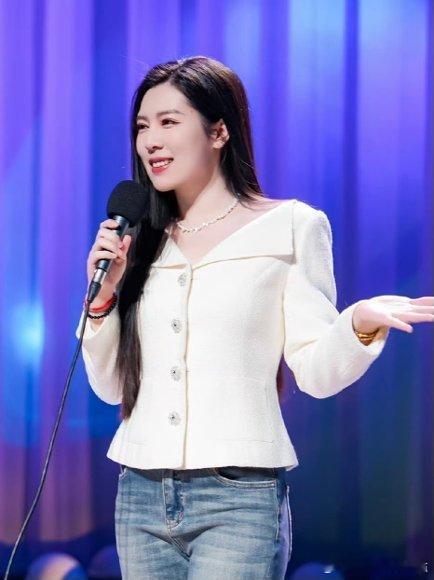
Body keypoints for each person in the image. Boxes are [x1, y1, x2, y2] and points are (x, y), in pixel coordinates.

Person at [76, 56, 434, 579]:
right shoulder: (140, 240)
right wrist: (103, 299)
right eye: (142, 126)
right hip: (140, 492)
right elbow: (110, 388)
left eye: (169, 121)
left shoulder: (291, 226)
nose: (150, 140)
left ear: (218, 131)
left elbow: (315, 373)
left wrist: (358, 325)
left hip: (238, 496)